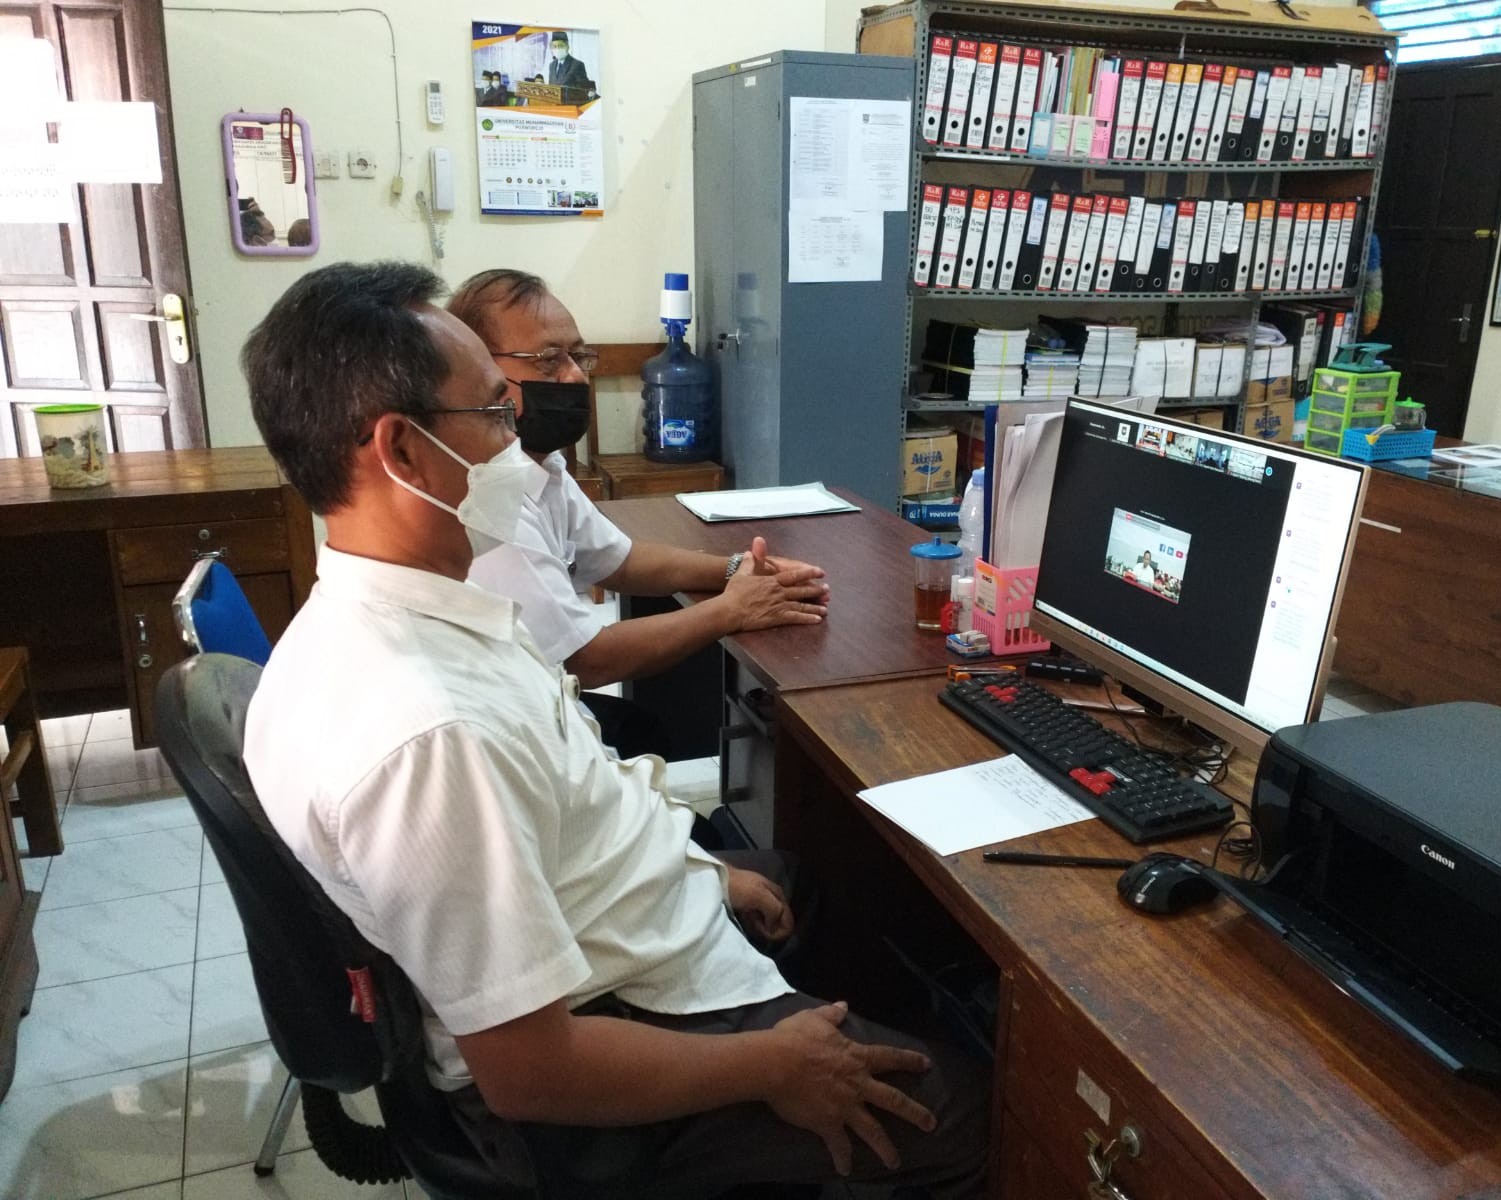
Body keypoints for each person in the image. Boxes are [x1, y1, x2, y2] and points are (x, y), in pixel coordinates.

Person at [240, 260, 987, 1198]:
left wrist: (702, 869)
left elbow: (569, 800)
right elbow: (528, 1070)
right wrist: (770, 1066)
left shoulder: (412, 612)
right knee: (967, 1119)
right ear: (401, 452)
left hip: (626, 931)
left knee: (834, 896)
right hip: (602, 1067)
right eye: (495, 415)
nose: (521, 439)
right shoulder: (427, 731)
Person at [447, 268, 829, 759]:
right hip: (509, 737)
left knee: (646, 730)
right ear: (480, 374)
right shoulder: (488, 495)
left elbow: (618, 560)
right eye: (548, 361)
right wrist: (732, 609)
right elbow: (585, 659)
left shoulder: (542, 467)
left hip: (543, 707)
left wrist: (736, 569)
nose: (576, 377)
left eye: (579, 356)